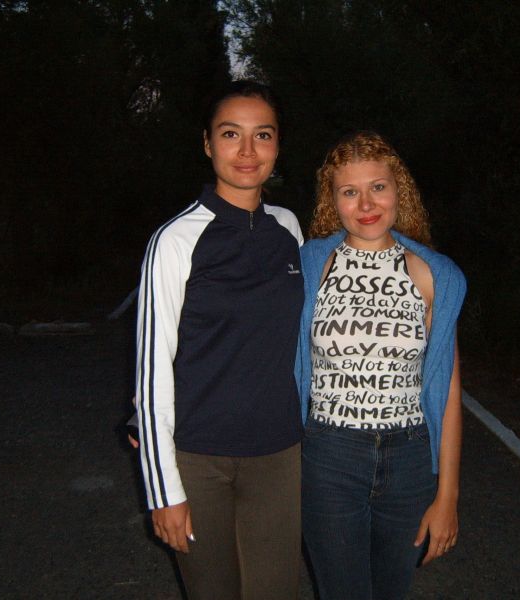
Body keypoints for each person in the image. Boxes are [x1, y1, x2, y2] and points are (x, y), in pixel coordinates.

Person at [135, 80, 304, 600]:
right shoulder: (176, 240)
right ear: (208, 144)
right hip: (198, 458)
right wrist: (163, 489)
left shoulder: (288, 228)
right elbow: (152, 367)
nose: (248, 151)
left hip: (279, 454)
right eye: (231, 134)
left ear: (278, 145)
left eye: (263, 135)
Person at [295, 131, 466, 600]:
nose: (366, 204)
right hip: (329, 455)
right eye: (349, 191)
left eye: (378, 187)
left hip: (409, 460)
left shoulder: (434, 275)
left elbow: (448, 390)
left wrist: (447, 496)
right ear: (332, 201)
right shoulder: (310, 267)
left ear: (399, 190)